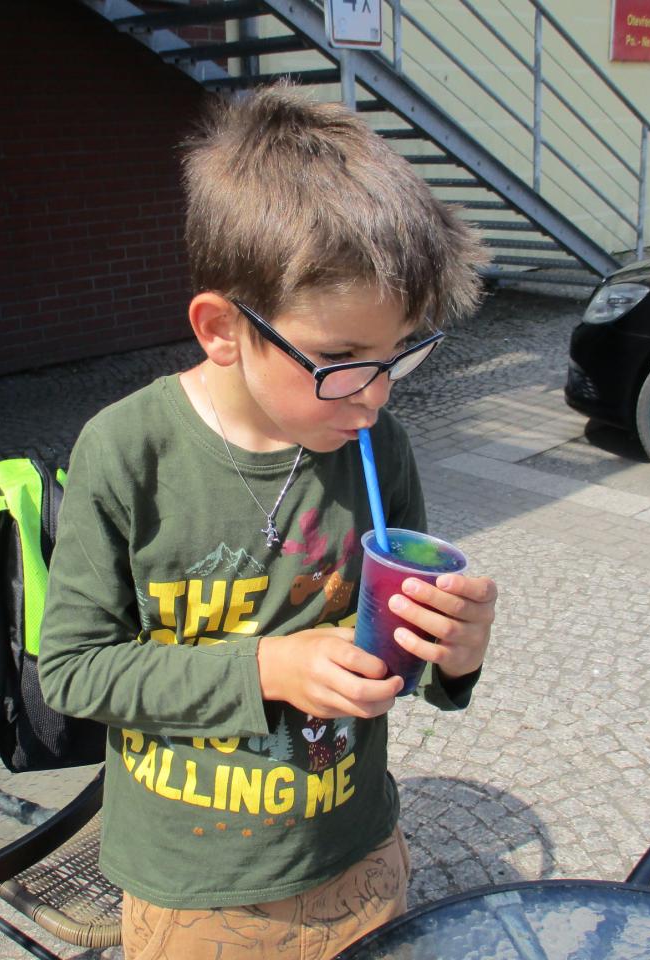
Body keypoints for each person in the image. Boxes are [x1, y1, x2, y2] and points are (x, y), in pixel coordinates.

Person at [37, 82, 498, 959]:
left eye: (398, 354)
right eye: (338, 358)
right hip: (194, 886)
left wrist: (453, 655)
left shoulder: (377, 445)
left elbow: (399, 662)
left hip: (357, 853)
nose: (373, 395)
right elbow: (74, 671)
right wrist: (268, 668)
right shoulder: (129, 452)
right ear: (221, 328)